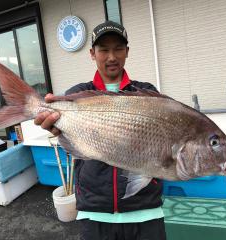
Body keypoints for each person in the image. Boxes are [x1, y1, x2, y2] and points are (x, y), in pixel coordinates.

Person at [34, 21, 167, 240]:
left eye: (118, 49)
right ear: (92, 54)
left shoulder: (147, 94)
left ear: (127, 52)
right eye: (104, 49)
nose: (111, 57)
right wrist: (60, 132)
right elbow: (72, 146)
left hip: (145, 211)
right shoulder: (78, 94)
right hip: (95, 214)